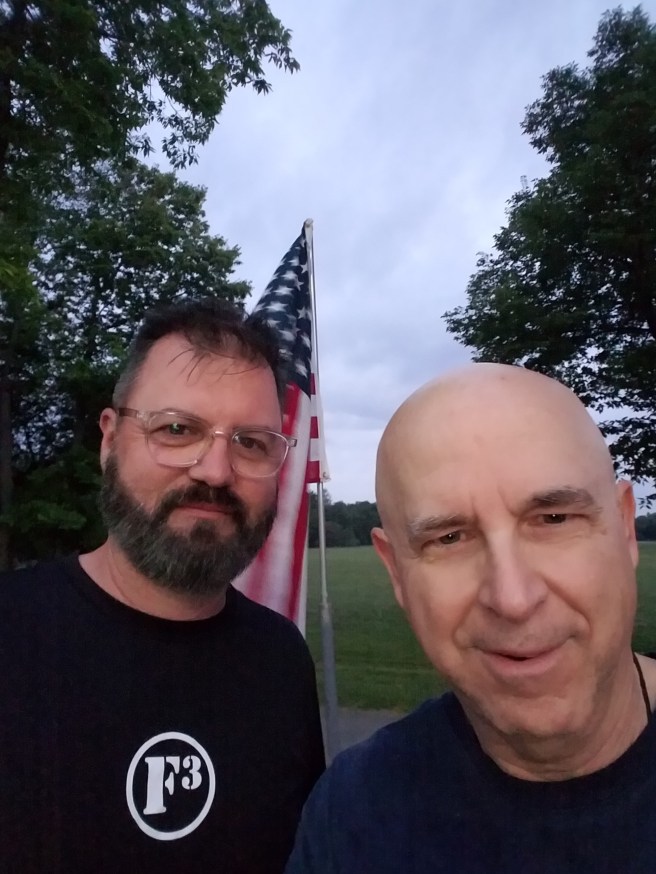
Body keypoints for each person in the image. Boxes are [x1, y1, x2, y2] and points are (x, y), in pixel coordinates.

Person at [285, 363, 656, 874]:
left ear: (625, 529)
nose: (513, 598)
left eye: (554, 518)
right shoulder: (353, 815)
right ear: (396, 573)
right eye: (449, 538)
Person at [0, 297, 325, 874]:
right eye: (177, 429)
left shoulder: (280, 659)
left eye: (251, 442)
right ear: (109, 441)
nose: (216, 471)